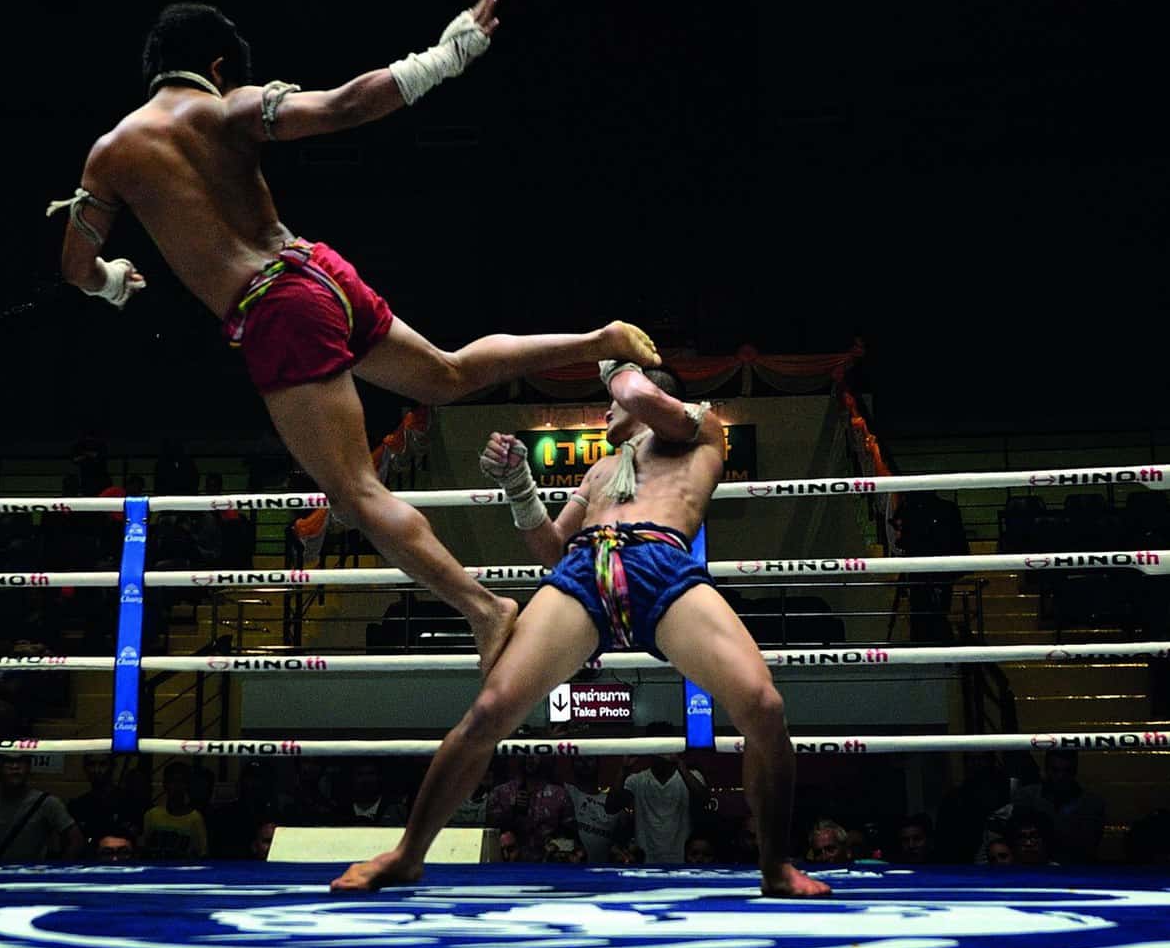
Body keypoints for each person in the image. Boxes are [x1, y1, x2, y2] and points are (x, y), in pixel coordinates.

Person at [52, 0, 660, 671]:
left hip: (274, 307)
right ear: (218, 65)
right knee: (447, 373)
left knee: (357, 494)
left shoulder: (110, 156)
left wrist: (110, 281)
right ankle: (596, 340)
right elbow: (346, 104)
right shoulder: (229, 107)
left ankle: (485, 610)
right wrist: (445, 56)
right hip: (318, 269)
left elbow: (75, 267)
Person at [330, 362, 828, 898]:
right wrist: (519, 486)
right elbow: (552, 549)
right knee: (491, 710)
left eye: (611, 399)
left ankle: (775, 867)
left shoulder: (700, 431)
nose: (605, 408)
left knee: (764, 707)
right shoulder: (598, 473)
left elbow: (634, 390)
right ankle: (408, 855)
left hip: (662, 564)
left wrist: (614, 355)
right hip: (583, 575)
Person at [612, 751, 708, 868]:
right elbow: (612, 806)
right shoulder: (637, 780)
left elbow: (704, 801)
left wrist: (679, 764)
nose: (662, 753)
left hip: (683, 863)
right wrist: (624, 769)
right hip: (646, 864)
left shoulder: (692, 775)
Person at [0, 757, 83, 863]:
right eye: (8, 761)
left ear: (29, 767)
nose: (15, 767)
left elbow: (75, 839)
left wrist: (60, 871)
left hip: (34, 875)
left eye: (21, 761)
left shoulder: (47, 803)